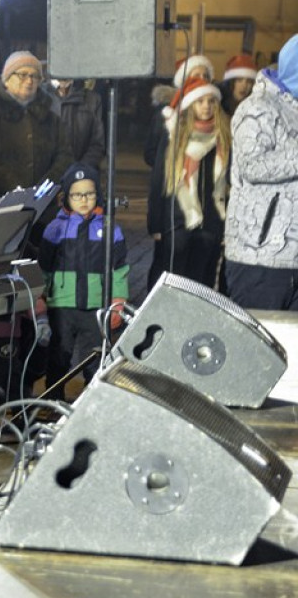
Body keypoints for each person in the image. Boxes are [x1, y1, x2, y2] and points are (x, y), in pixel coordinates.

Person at [39, 163, 128, 400]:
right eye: (77, 194)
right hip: (62, 305)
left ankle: (92, 397)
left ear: (97, 195)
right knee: (59, 353)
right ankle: (53, 396)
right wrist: (40, 296)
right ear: (66, 197)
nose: (83, 199)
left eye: (89, 193)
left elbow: (118, 269)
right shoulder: (55, 229)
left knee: (93, 355)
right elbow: (44, 266)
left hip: (95, 305)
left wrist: (118, 300)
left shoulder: (110, 229)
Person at [224, 34, 298, 311]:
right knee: (258, 347)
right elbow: (253, 165)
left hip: (295, 257)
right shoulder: (257, 108)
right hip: (261, 257)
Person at [147, 77, 230, 289]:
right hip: (177, 220)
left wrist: (226, 225)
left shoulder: (223, 136)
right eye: (200, 101)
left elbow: (229, 183)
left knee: (202, 282)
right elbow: (159, 179)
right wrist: (155, 223)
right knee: (174, 282)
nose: (206, 106)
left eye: (211, 101)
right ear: (190, 104)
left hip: (211, 221)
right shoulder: (174, 134)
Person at [0, 51, 72, 211]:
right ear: (7, 79)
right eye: (22, 74)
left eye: (35, 76)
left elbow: (64, 156)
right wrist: (18, 189)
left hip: (42, 208)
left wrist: (42, 190)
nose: (29, 80)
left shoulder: (51, 119)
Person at [47, 78, 105, 170]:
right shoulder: (36, 95)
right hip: (42, 177)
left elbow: (98, 145)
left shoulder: (92, 99)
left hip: (80, 175)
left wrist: (78, 171)